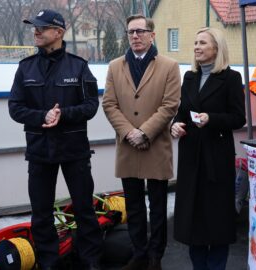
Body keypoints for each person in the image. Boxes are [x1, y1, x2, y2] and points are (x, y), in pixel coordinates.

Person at [8, 9, 102, 270]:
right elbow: (15, 108)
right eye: (34, 27)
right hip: (40, 151)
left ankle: (90, 262)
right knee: (41, 214)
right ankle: (48, 263)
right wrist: (42, 116)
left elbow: (92, 105)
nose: (35, 31)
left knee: (84, 209)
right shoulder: (25, 68)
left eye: (42, 27)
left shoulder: (79, 66)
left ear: (58, 32)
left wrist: (64, 114)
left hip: (74, 151)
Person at [102, 15, 181, 270]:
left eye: (140, 31)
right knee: (133, 205)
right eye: (130, 32)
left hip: (155, 145)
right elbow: (109, 104)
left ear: (152, 35)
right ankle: (139, 254)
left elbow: (170, 106)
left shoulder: (169, 66)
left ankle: (155, 255)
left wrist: (144, 132)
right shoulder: (115, 66)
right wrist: (129, 132)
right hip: (127, 146)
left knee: (157, 205)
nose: (134, 36)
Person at [171, 27, 246, 270]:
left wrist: (211, 119)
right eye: (195, 42)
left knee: (216, 219)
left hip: (216, 157)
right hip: (191, 156)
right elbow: (182, 113)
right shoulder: (189, 77)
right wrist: (175, 126)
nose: (196, 47)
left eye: (202, 42)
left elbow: (238, 118)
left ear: (217, 48)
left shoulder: (231, 78)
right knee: (193, 218)